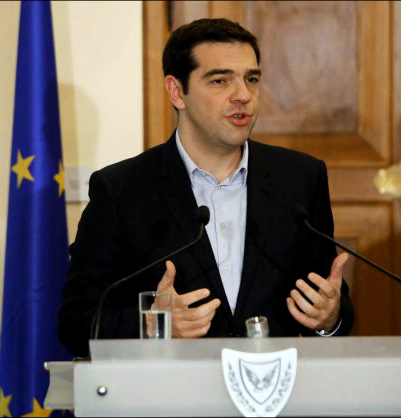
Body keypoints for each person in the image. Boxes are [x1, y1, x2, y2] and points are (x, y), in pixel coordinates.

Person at [59, 18, 354, 358]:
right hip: (173, 389)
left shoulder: (301, 179)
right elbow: (75, 323)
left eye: (251, 79)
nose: (243, 95)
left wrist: (329, 317)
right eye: (220, 80)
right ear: (176, 91)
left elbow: (331, 306)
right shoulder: (121, 190)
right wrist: (154, 325)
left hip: (272, 385)